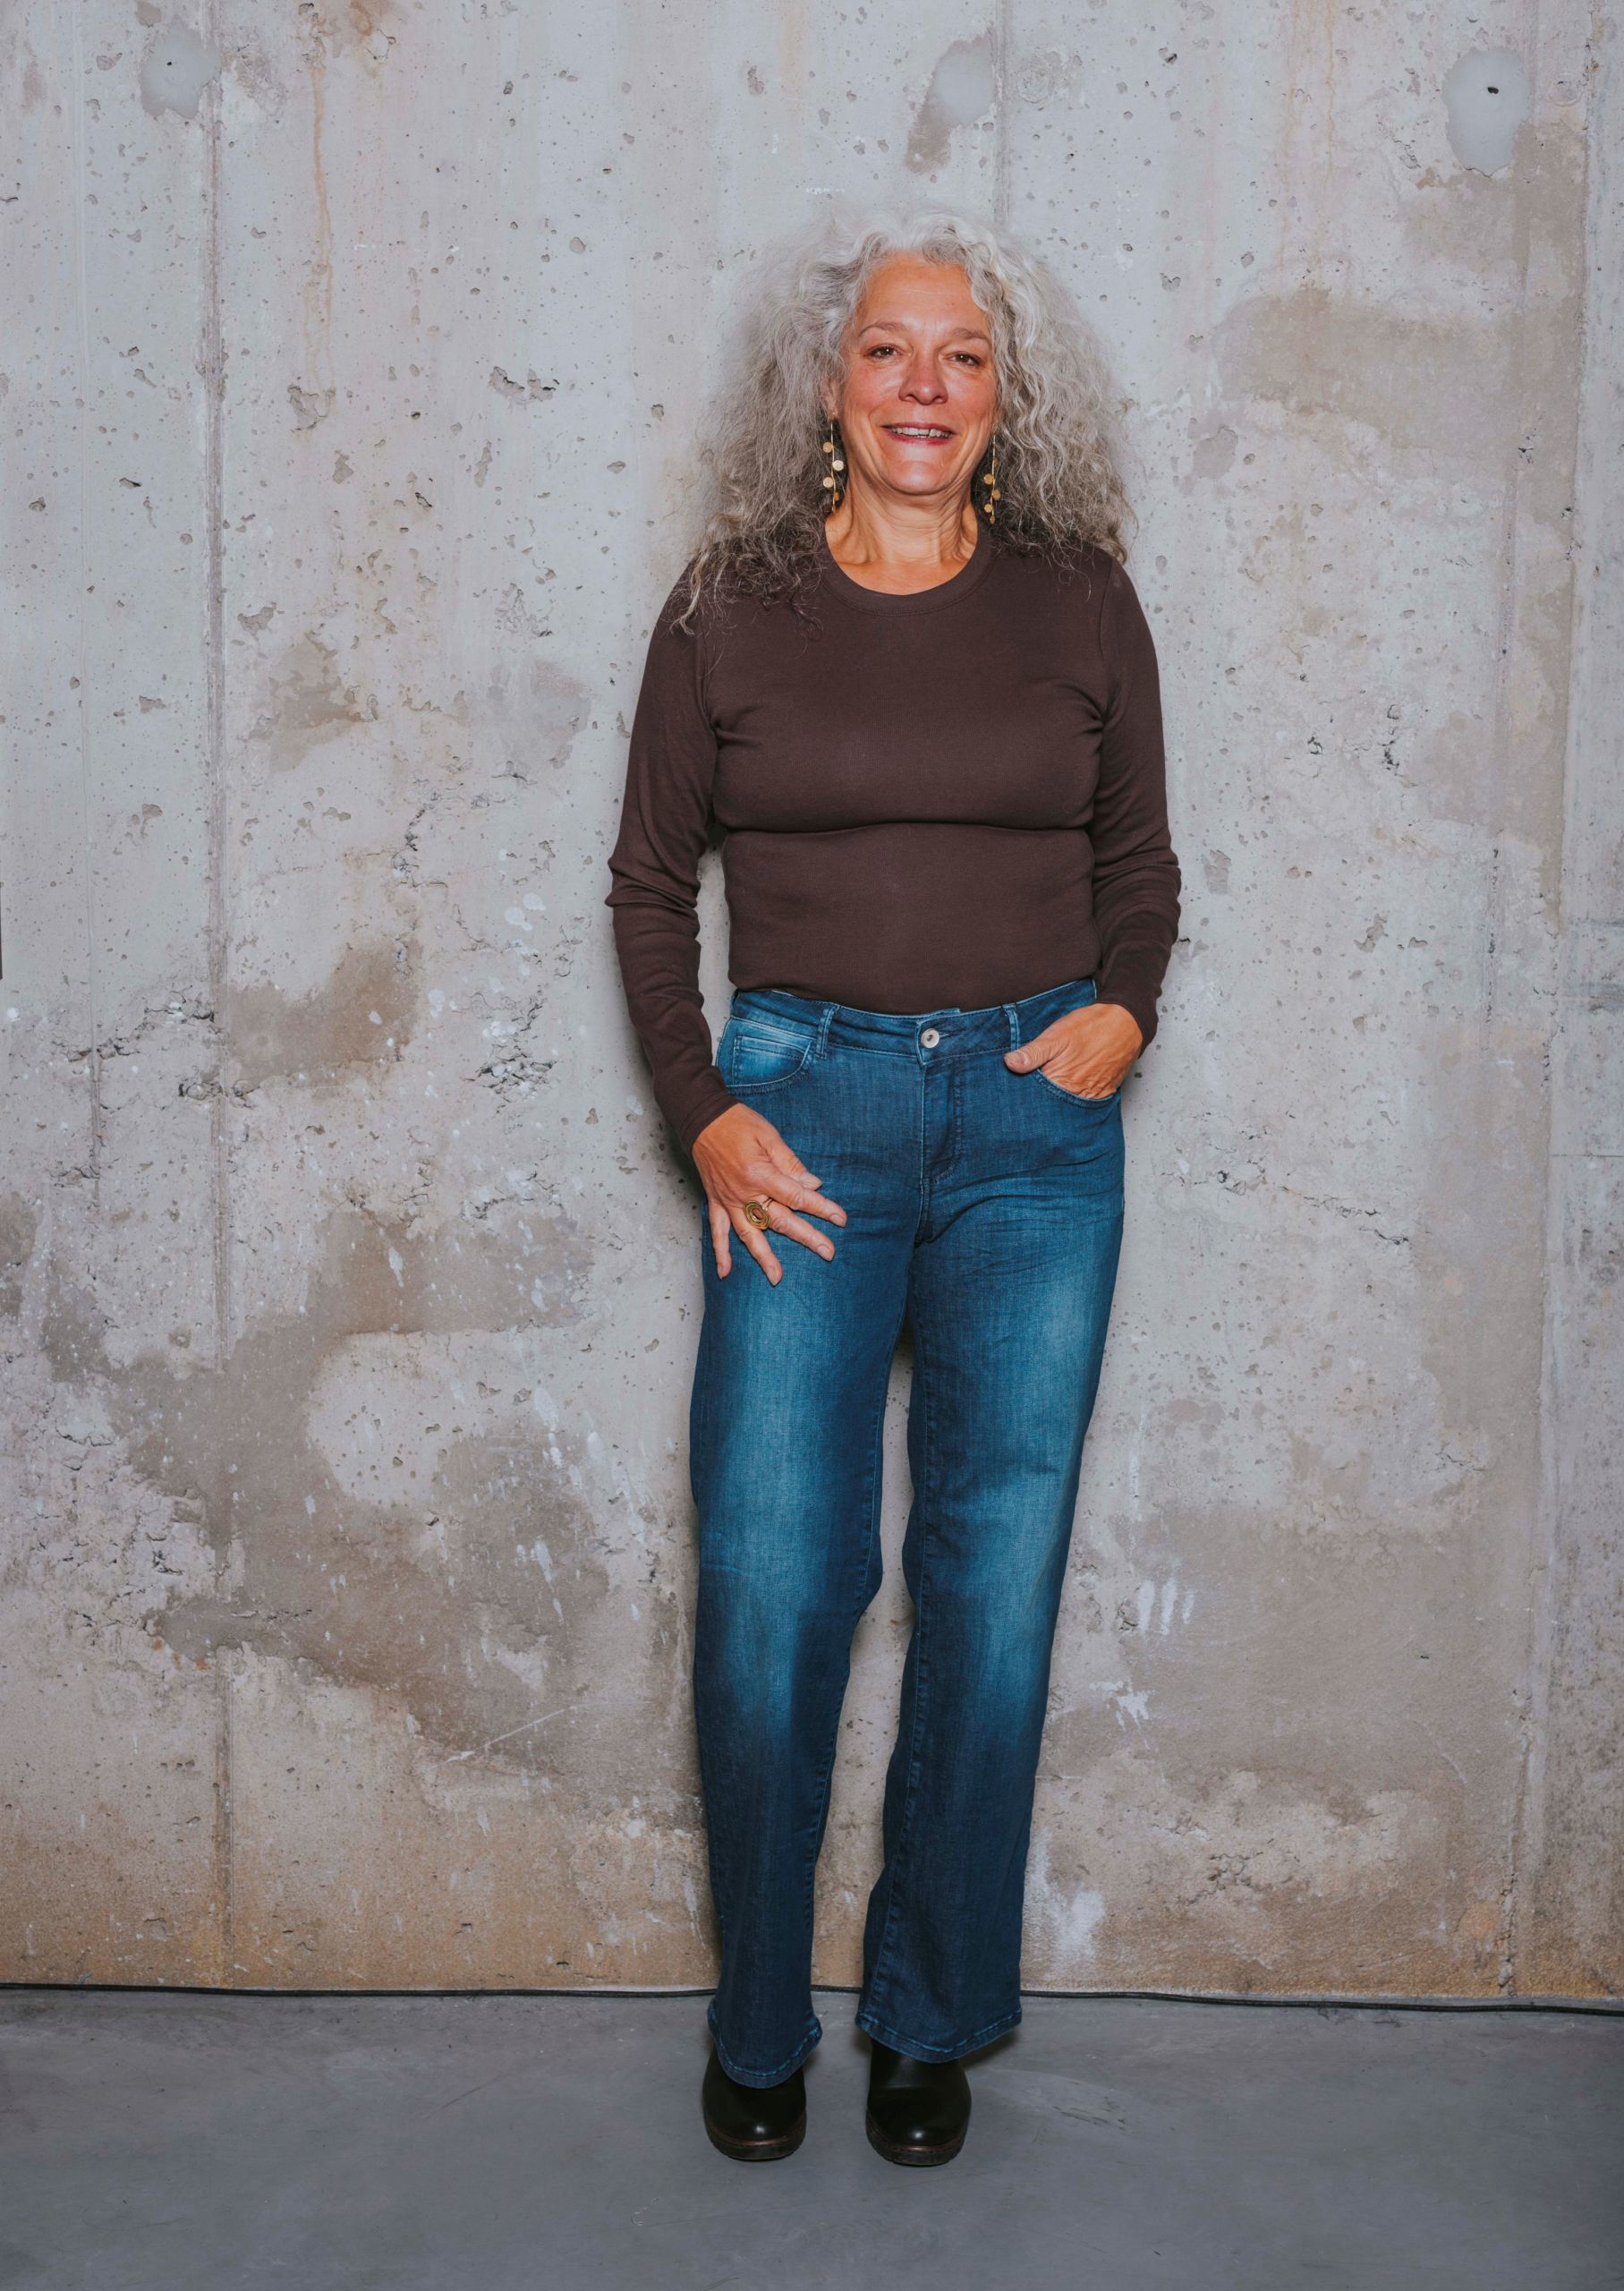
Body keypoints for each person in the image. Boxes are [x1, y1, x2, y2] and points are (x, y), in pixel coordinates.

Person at [606, 208, 1179, 2168]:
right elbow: (644, 884)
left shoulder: (1081, 599)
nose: (923, 386)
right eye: (887, 351)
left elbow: (1140, 864)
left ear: (1006, 399)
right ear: (828, 385)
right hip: (806, 1121)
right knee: (778, 1573)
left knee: (992, 1581)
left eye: (962, 356)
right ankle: (761, 2019)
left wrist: (1121, 1014)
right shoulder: (728, 605)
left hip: (1034, 1138)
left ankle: (929, 2012)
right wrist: (701, 1109)